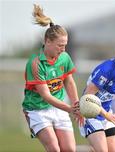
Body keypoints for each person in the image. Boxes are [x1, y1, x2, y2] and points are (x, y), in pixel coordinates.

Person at [22, 4, 82, 152]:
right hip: (37, 110)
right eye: (60, 46)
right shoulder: (35, 63)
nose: (63, 50)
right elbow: (46, 95)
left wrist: (76, 105)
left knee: (69, 149)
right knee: (54, 149)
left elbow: (68, 81)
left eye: (65, 45)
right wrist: (70, 109)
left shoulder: (64, 57)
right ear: (47, 41)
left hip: (59, 107)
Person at [79, 41, 115, 152]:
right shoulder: (107, 69)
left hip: (106, 114)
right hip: (90, 113)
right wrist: (106, 115)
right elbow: (87, 97)